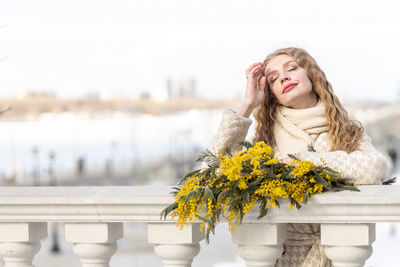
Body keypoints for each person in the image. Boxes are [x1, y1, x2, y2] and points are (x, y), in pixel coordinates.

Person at [206, 47, 390, 266]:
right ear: (272, 93)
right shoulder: (266, 140)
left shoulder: (345, 130)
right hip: (281, 257)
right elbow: (216, 167)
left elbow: (375, 168)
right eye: (273, 78)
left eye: (291, 68)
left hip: (334, 253)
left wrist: (305, 163)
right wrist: (247, 105)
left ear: (310, 73)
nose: (284, 77)